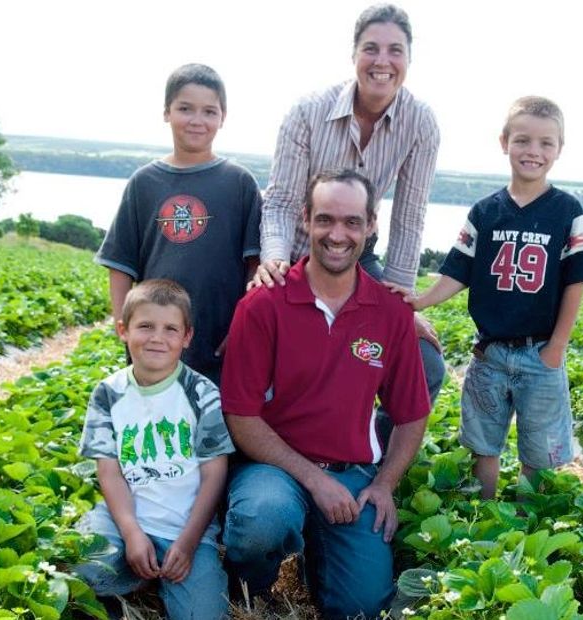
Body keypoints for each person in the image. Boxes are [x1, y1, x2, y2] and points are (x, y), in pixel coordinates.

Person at [220, 169, 430, 619]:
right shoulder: (263, 304)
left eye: (352, 222)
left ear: (371, 225)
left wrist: (385, 483)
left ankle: (321, 551)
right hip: (273, 469)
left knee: (363, 608)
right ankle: (248, 585)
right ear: (305, 220)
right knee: (262, 521)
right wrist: (315, 482)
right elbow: (241, 415)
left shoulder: (391, 313)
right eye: (326, 220)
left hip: (352, 474)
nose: (338, 234)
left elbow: (411, 414)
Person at [393, 96, 583, 499]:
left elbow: (576, 282)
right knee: (482, 443)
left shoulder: (566, 210)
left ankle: (527, 517)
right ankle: (487, 511)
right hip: (489, 353)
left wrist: (557, 347)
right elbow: (458, 271)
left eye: (545, 143)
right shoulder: (486, 211)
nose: (533, 152)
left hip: (539, 353)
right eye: (523, 140)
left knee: (537, 452)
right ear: (504, 142)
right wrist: (420, 301)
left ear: (558, 150)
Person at [251, 3, 446, 405]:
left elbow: (410, 219)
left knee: (425, 364)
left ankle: (368, 455)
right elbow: (282, 202)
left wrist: (401, 307)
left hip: (353, 259)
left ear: (409, 59)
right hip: (292, 254)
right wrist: (273, 265)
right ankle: (258, 456)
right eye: (371, 48)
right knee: (258, 344)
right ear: (354, 54)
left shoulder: (421, 122)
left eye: (395, 51)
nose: (383, 61)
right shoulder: (308, 111)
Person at [75, 279, 232, 620]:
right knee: (84, 572)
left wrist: (188, 544)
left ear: (187, 337)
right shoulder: (108, 393)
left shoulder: (201, 393)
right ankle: (133, 571)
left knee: (203, 614)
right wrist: (132, 532)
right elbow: (109, 471)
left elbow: (214, 472)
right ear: (123, 330)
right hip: (122, 521)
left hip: (186, 528)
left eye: (170, 329)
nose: (157, 338)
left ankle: (154, 576)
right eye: (145, 326)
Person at [96, 63, 261, 385]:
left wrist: (241, 328)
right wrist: (124, 323)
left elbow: (255, 265)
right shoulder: (144, 183)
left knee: (214, 426)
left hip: (219, 342)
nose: (197, 121)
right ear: (166, 112)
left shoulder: (239, 183)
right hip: (157, 342)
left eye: (209, 111)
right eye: (185, 109)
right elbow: (121, 265)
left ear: (222, 117)